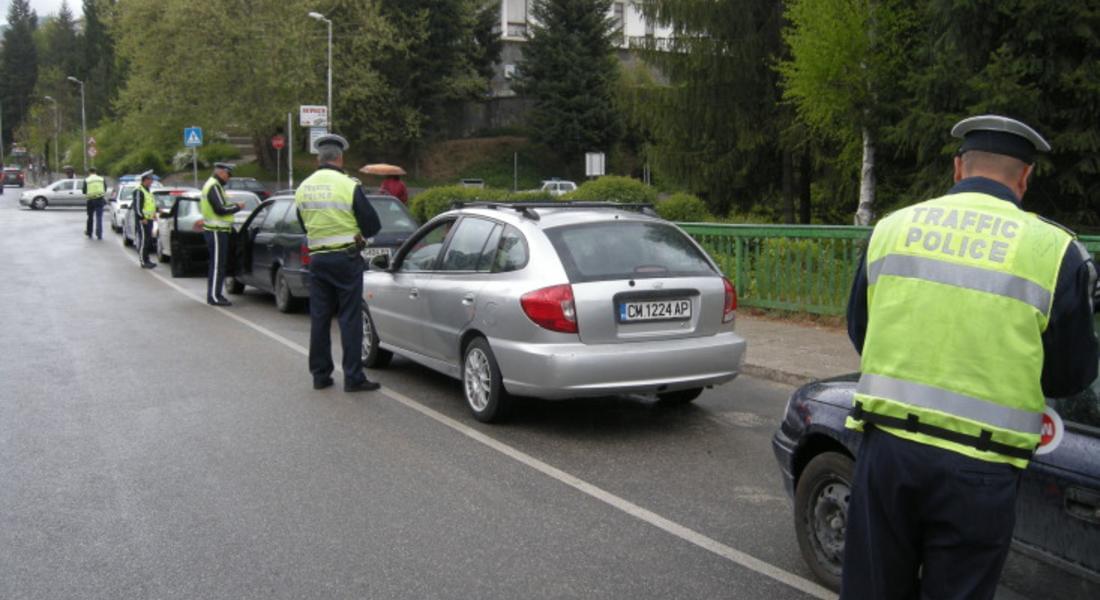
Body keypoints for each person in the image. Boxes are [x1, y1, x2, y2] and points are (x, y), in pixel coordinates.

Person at [842, 115, 1099, 599]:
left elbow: (862, 330)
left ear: (959, 168)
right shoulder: (1055, 251)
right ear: (1025, 178)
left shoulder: (891, 228)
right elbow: (1071, 375)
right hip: (981, 472)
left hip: (889, 454)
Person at [295, 134, 383, 393]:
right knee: (349, 318)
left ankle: (320, 375)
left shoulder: (303, 188)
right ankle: (353, 377)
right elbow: (372, 223)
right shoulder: (348, 185)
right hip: (346, 259)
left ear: (318, 159)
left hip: (317, 260)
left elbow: (304, 225)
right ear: (340, 157)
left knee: (320, 317)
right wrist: (359, 236)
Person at [201, 162, 243, 306]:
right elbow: (220, 210)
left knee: (219, 264)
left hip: (218, 230)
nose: (229, 178)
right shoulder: (213, 186)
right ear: (221, 172)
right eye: (228, 174)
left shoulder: (213, 185)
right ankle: (214, 296)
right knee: (217, 265)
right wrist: (237, 207)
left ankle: (216, 294)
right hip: (216, 231)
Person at [133, 170, 158, 269]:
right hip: (143, 220)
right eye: (150, 180)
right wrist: (141, 217)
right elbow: (138, 207)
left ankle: (147, 259)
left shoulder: (148, 191)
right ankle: (143, 261)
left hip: (149, 219)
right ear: (145, 180)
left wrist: (154, 214)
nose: (151, 182)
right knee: (144, 240)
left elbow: (150, 205)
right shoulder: (139, 191)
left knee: (148, 240)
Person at [82, 167, 106, 240]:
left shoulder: (87, 180)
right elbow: (105, 188)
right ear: (96, 172)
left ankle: (89, 233)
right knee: (99, 217)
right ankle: (99, 234)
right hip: (99, 199)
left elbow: (84, 191)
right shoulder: (101, 179)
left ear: (89, 172)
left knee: (90, 217)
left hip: (90, 200)